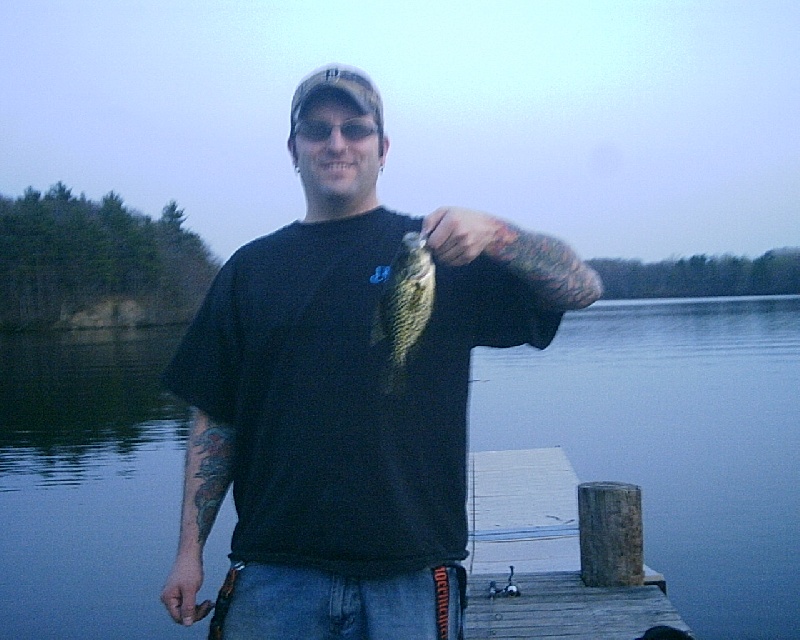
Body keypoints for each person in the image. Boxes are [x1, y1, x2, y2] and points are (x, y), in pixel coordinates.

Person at [160, 64, 603, 639]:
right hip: (274, 572)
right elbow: (216, 419)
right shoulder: (249, 271)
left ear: (383, 147)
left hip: (412, 573)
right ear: (293, 149)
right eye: (317, 130)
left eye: (355, 128)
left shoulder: (440, 252)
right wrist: (188, 553)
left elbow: (582, 287)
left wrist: (498, 235)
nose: (336, 143)